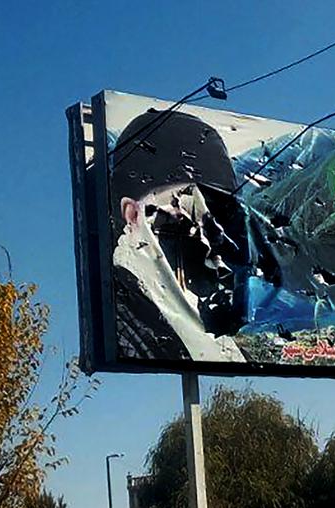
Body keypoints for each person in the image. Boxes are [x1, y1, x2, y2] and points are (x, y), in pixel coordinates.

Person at [107, 108, 283, 362]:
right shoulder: (121, 327)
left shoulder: (216, 336)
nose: (215, 256)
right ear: (133, 215)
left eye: (223, 218)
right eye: (185, 220)